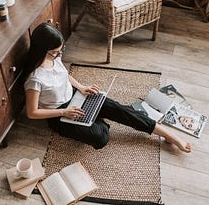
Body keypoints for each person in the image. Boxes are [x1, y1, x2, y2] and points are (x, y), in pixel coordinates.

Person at [23, 23, 191, 153]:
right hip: (59, 114)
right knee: (101, 138)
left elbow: (64, 75)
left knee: (122, 110)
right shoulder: (35, 78)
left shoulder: (54, 57)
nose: (60, 55)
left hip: (75, 96)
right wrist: (64, 113)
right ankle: (95, 116)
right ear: (42, 49)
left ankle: (170, 136)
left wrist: (82, 87)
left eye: (61, 50)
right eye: (56, 52)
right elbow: (32, 113)